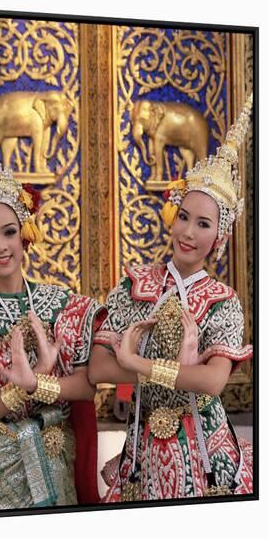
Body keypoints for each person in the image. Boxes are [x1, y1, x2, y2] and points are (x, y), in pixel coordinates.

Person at [0, 71, 106, 513]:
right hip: (0, 463)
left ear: (24, 232)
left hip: (54, 451)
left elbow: (87, 388)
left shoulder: (64, 305)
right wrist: (21, 391)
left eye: (8, 232)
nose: (0, 246)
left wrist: (39, 384)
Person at [88, 95, 254, 501]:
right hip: (144, 452)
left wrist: (134, 363)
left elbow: (213, 382)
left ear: (220, 236)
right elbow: (96, 369)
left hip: (206, 454)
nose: (188, 233)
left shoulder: (221, 300)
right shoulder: (135, 285)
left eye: (203, 224)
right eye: (183, 216)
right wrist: (170, 371)